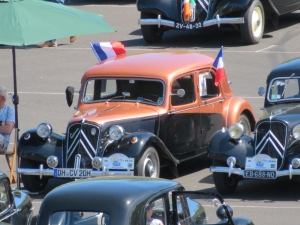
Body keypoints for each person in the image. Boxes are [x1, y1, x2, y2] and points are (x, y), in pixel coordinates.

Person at [0, 86, 15, 154]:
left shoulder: (10, 111)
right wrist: (1, 124)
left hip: (2, 142)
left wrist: (5, 126)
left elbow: (8, 130)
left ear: (2, 98)